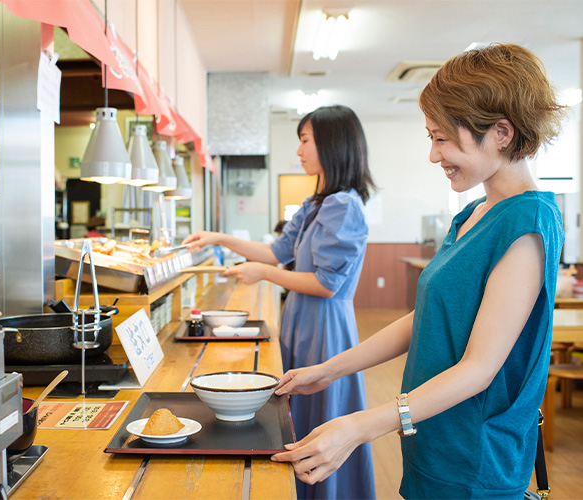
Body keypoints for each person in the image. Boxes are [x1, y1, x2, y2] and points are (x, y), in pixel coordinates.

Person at [271, 43, 566, 500]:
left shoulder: (527, 225)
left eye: (442, 138)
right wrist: (330, 369)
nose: (434, 155)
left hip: (472, 456)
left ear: (501, 133)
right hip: (431, 434)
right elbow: (428, 318)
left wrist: (360, 426)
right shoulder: (473, 213)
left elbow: (478, 370)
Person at [184, 105, 377, 500]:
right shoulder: (316, 203)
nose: (300, 151)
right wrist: (219, 238)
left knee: (320, 420)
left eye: (305, 141)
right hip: (301, 320)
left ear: (332, 144)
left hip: (325, 327)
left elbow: (326, 284)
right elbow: (275, 251)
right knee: (296, 418)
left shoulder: (344, 205)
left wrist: (264, 273)